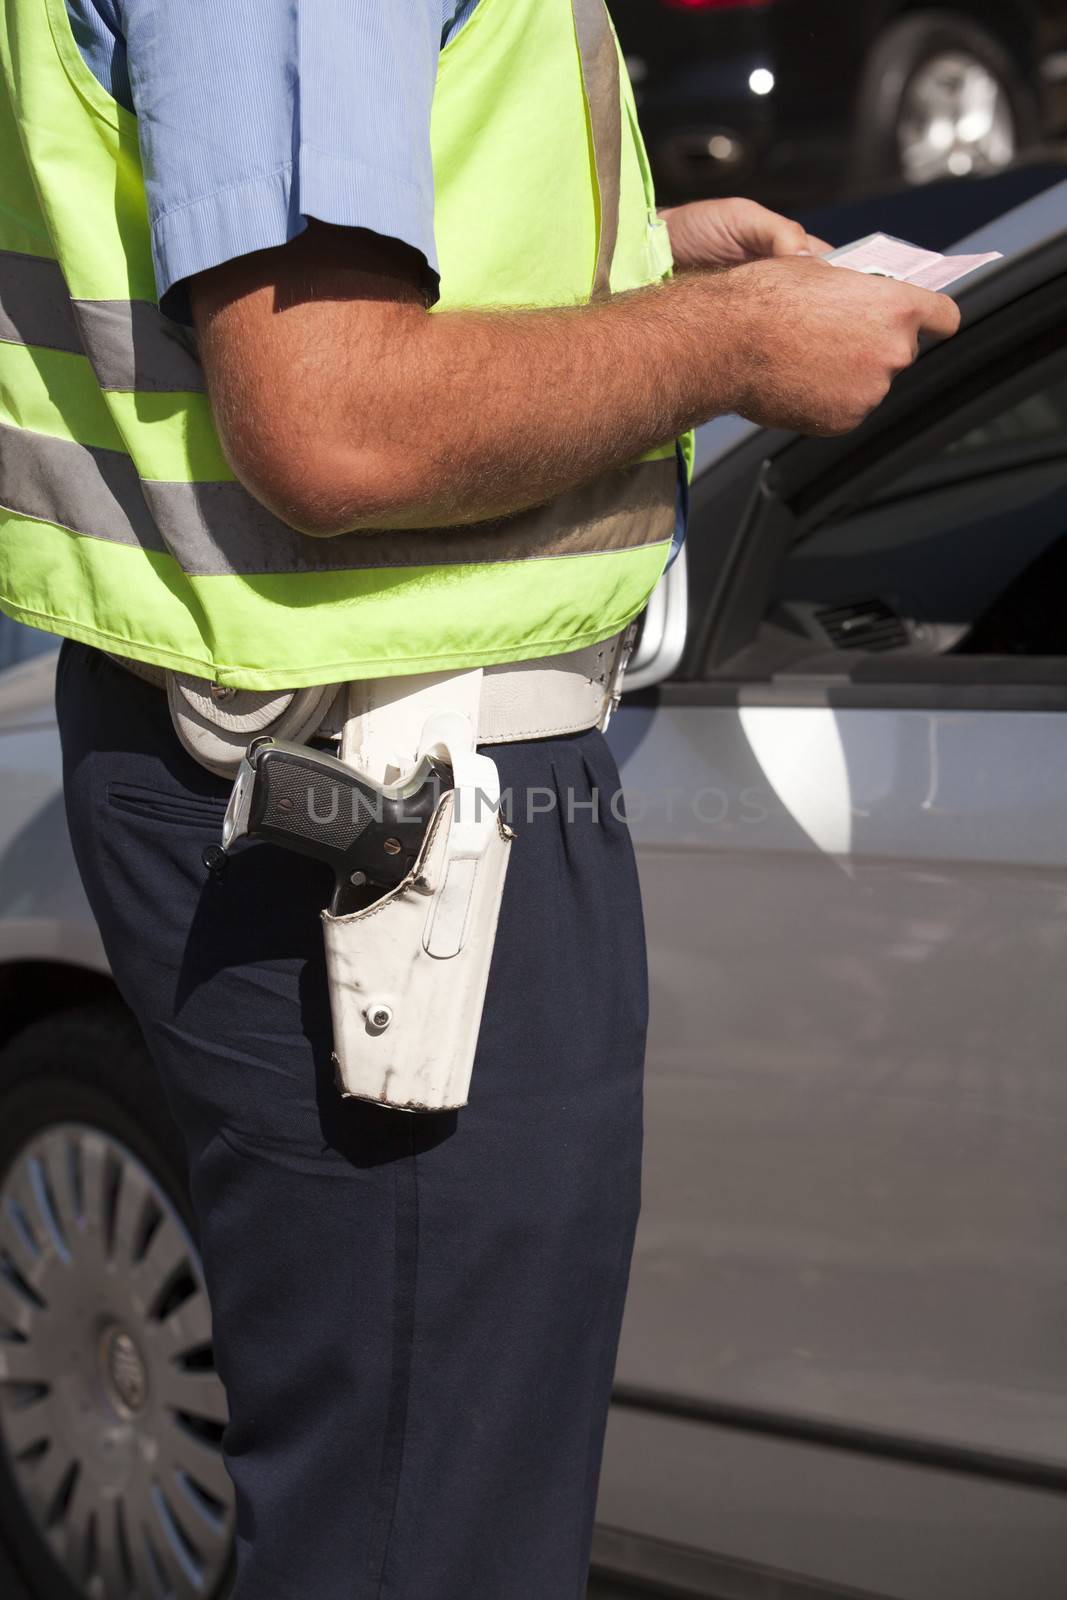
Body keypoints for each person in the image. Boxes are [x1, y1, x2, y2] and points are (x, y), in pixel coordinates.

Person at [0, 2, 960, 1596]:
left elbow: (261, 251)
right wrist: (725, 347)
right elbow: (333, 414)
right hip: (383, 798)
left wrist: (624, 262)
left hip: (344, 766)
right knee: (428, 1542)